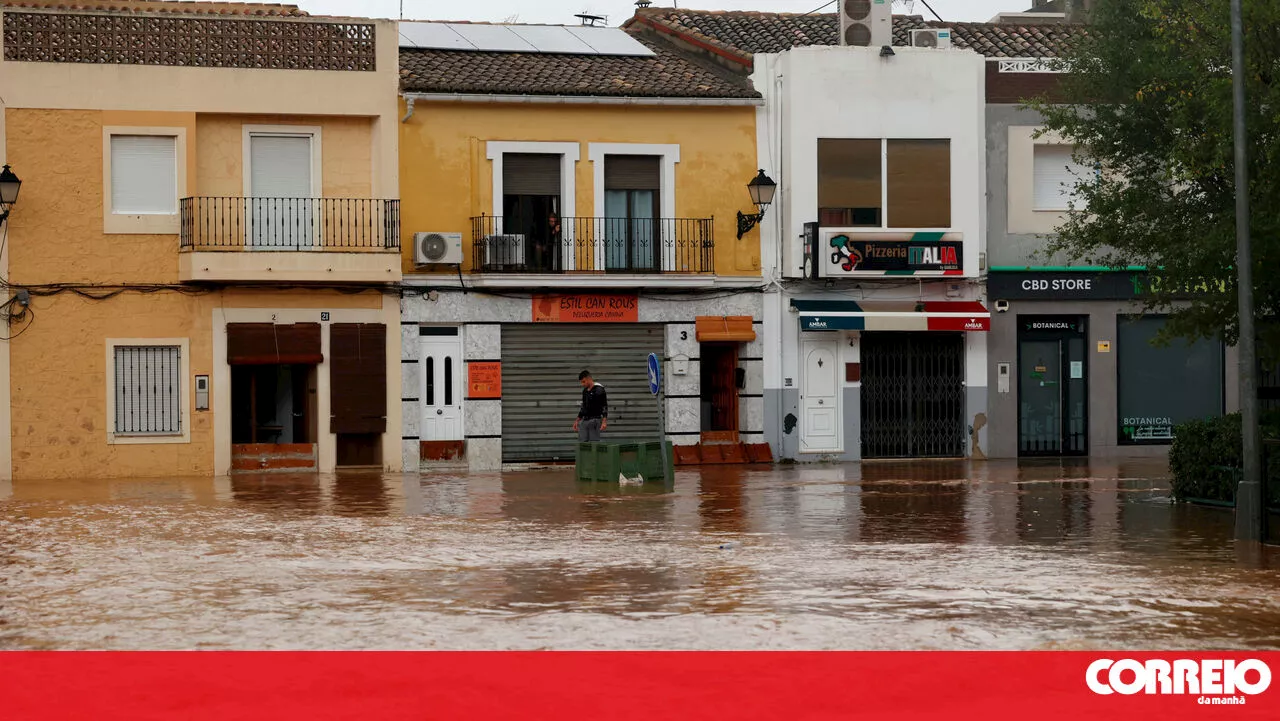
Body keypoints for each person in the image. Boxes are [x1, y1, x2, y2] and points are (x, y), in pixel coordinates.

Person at [573, 369, 608, 442]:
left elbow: (604, 406)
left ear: (589, 379)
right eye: (581, 382)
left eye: (584, 381)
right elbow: (584, 406)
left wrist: (604, 421)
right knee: (583, 444)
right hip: (584, 421)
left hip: (594, 420)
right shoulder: (585, 391)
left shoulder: (599, 390)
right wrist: (577, 420)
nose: (582, 384)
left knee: (593, 445)